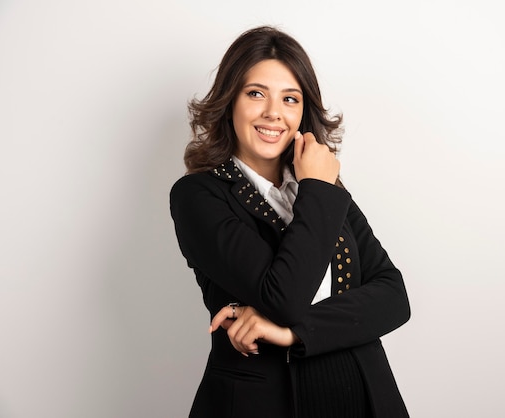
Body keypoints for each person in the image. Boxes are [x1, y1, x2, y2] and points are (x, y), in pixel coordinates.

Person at [170, 25, 411, 418]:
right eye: (256, 93)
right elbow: (283, 297)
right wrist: (317, 186)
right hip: (265, 402)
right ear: (230, 100)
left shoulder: (323, 188)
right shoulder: (198, 196)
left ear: (303, 111)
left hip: (362, 393)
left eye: (290, 98)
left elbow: (393, 296)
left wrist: (291, 333)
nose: (273, 113)